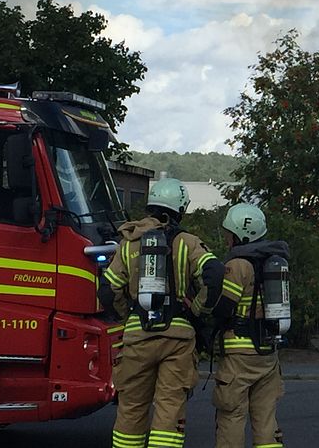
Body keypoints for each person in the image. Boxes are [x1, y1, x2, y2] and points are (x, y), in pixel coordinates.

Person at [100, 178, 224, 448]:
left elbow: (108, 291)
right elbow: (214, 274)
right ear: (178, 209)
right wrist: (198, 310)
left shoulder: (128, 244)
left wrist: (128, 316)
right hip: (177, 339)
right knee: (169, 408)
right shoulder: (188, 242)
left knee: (131, 407)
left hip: (137, 336)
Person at [212, 203, 290, 448]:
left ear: (240, 235)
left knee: (232, 416)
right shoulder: (274, 264)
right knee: (266, 419)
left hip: (239, 355)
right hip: (268, 354)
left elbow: (223, 308)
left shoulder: (238, 266)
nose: (227, 240)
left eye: (229, 234)